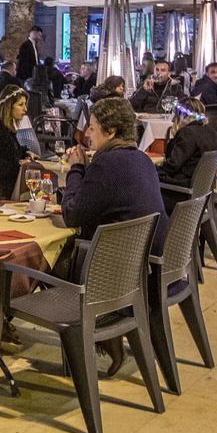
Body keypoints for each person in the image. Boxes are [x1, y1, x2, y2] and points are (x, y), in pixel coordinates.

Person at [58, 97, 168, 376]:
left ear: (111, 132)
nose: (87, 134)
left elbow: (72, 214)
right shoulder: (142, 160)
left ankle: (91, 341)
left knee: (52, 262)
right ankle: (108, 338)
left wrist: (76, 168)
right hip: (146, 265)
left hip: (115, 273)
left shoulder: (106, 165)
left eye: (93, 128)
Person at [156, 98, 217, 211]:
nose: (173, 120)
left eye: (176, 115)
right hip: (202, 191)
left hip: (182, 192)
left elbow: (172, 166)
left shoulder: (188, 133)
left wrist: (153, 169)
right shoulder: (211, 132)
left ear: (184, 115)